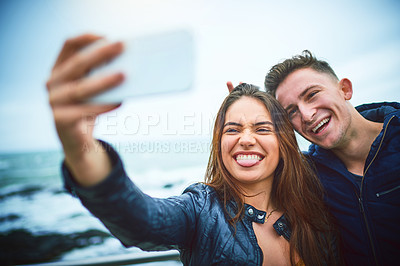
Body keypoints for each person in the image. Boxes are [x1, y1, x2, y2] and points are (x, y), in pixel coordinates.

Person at [46, 36, 341, 265]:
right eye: (233, 129)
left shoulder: (315, 196)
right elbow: (142, 221)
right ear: (219, 143)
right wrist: (80, 148)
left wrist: (249, 101)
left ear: (283, 142)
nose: (246, 139)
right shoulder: (200, 209)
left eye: (262, 129)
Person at [228, 50, 399, 265]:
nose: (307, 115)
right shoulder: (306, 175)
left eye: (312, 95)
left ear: (345, 89)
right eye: (292, 111)